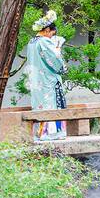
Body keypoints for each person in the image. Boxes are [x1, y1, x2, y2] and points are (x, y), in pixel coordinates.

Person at [27, 10, 67, 141]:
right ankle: (51, 133)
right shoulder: (44, 42)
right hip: (47, 79)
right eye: (51, 33)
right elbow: (55, 59)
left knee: (39, 104)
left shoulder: (31, 42)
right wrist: (58, 49)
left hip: (36, 80)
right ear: (47, 30)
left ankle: (39, 133)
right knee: (51, 103)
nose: (51, 36)